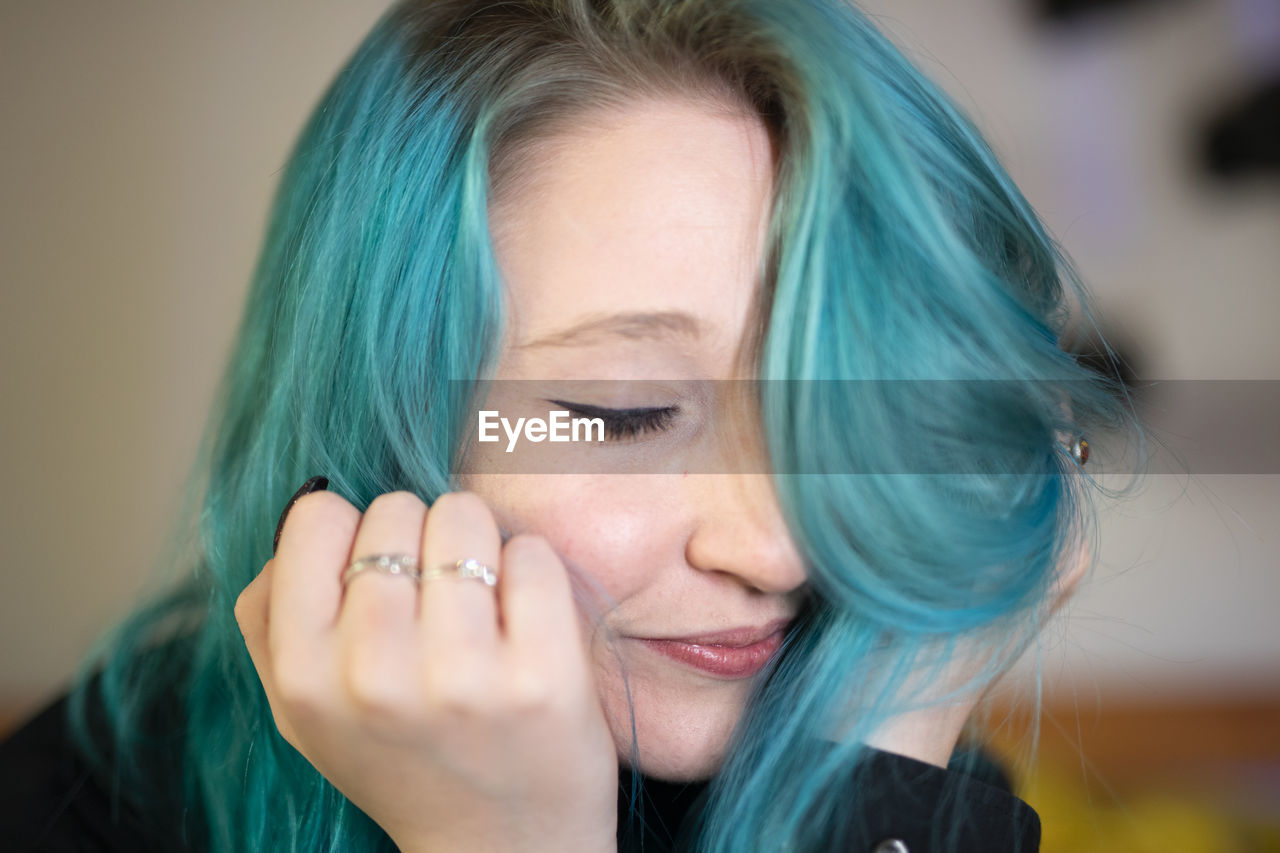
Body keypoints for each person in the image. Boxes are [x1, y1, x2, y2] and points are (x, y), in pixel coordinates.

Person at [0, 0, 1136, 850]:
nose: (781, 547)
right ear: (374, 417)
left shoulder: (907, 765)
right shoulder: (72, 810)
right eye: (627, 414)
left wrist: (881, 752)